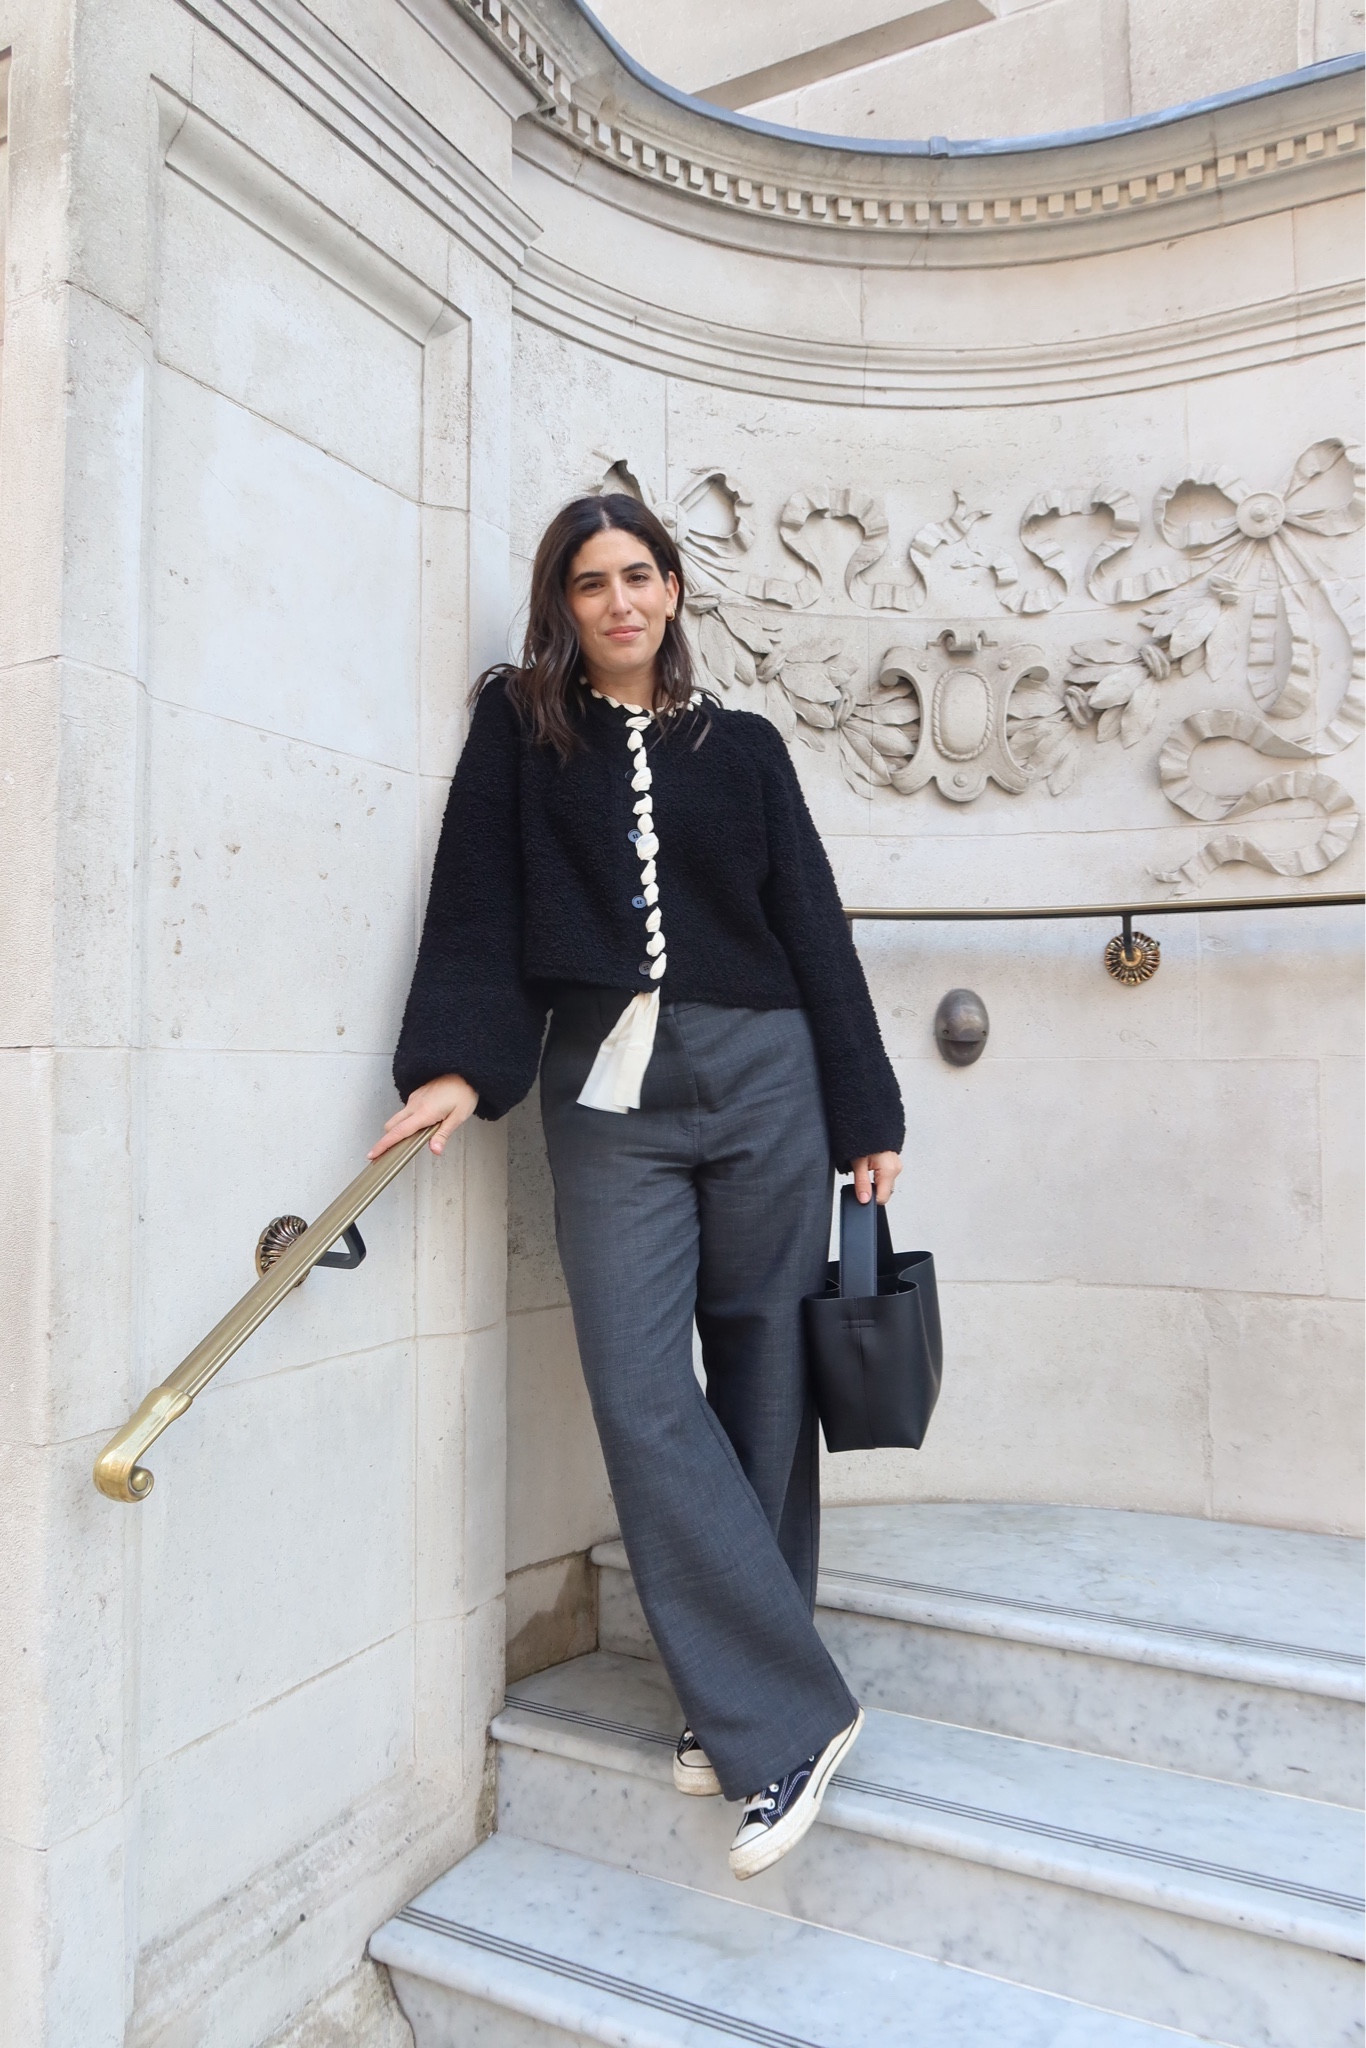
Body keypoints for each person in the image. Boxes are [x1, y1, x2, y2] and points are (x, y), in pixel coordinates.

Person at [370, 493, 904, 1879]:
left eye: (639, 575)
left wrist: (865, 1103)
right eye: (590, 581)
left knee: (764, 1377)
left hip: (768, 1076)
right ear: (564, 602)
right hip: (608, 1093)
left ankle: (728, 1701)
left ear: (673, 589)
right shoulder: (521, 727)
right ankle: (793, 1711)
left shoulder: (749, 748)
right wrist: (450, 1067)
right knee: (639, 1386)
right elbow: (476, 905)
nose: (617, 600)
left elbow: (811, 926)